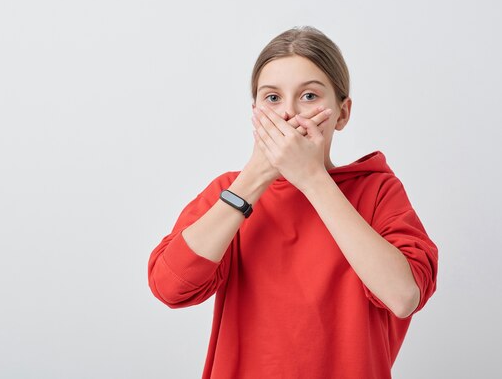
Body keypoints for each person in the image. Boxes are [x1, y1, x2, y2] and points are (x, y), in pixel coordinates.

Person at [147, 26, 438, 379]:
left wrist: (312, 178)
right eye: (272, 98)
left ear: (342, 113)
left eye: (310, 96)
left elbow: (403, 296)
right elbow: (170, 287)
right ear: (254, 112)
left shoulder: (377, 191)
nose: (288, 113)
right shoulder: (228, 191)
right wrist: (253, 180)